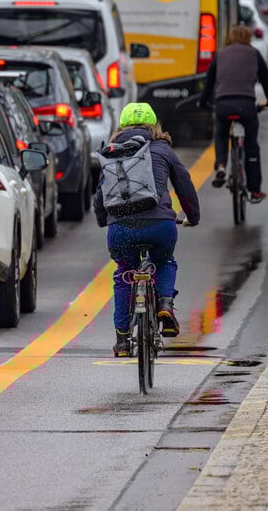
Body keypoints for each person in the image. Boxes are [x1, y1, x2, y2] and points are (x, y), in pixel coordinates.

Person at [93, 103, 201, 357]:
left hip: (121, 229)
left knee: (124, 273)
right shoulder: (163, 149)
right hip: (160, 226)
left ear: (122, 126)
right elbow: (184, 185)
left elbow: (100, 196)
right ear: (154, 125)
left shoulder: (112, 152)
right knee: (165, 261)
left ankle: (122, 341)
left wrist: (103, 220)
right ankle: (164, 303)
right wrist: (193, 217)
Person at [199, 25, 268, 203]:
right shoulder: (254, 54)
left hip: (223, 104)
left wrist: (204, 102)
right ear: (248, 38)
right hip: (247, 105)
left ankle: (221, 165)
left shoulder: (220, 54)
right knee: (251, 146)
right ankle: (255, 191)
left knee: (221, 134)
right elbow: (266, 79)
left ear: (230, 37)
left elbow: (209, 81)